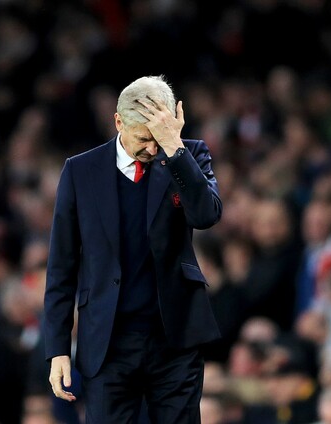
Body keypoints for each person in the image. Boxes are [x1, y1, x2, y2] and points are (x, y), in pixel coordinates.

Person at [44, 75, 223, 423]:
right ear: (118, 122)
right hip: (107, 343)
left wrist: (176, 149)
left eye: (159, 138)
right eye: (144, 138)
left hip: (175, 340)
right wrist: (58, 349)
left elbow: (206, 215)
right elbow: (61, 265)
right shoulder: (80, 170)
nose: (153, 150)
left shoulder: (188, 155)